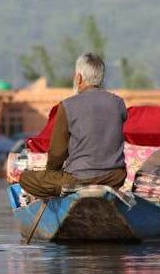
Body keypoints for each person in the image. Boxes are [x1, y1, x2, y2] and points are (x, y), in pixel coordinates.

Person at [19, 53, 127, 198]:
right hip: (114, 178)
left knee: (25, 178)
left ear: (79, 78)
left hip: (79, 179)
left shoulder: (67, 105)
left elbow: (57, 153)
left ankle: (69, 191)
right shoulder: (118, 103)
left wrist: (52, 174)